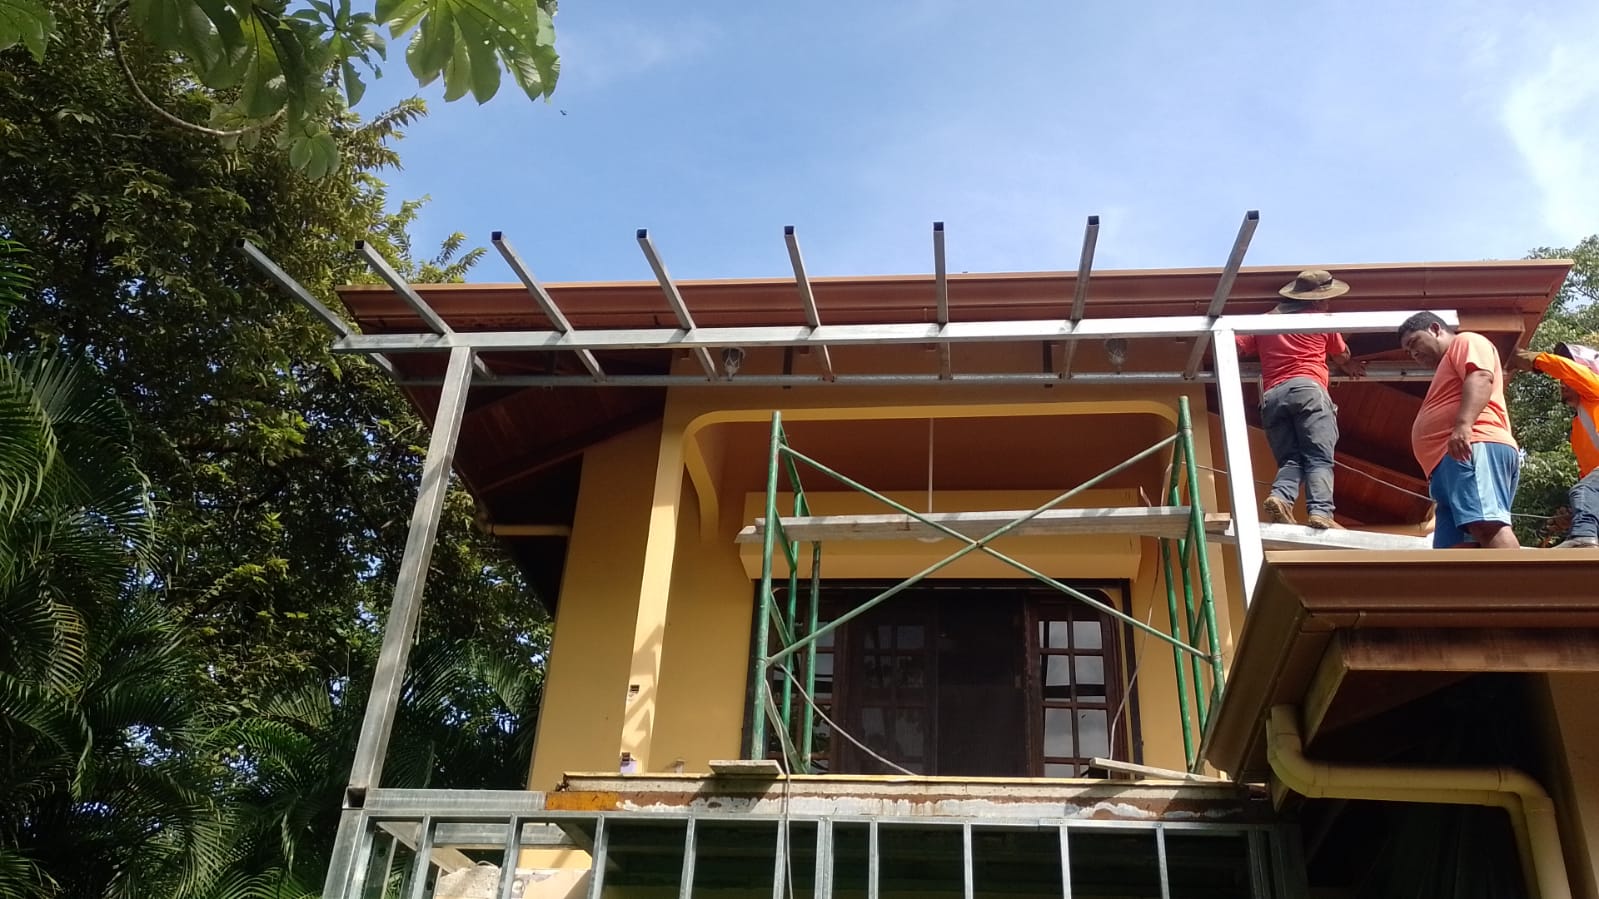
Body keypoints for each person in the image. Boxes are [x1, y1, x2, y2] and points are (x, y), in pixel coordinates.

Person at [1236, 270, 1366, 529]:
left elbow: (1237, 345)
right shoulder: (1320, 320)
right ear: (1317, 301)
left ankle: (1281, 497)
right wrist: (1349, 364)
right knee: (1318, 458)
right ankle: (1321, 512)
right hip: (1308, 389)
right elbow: (1341, 355)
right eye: (1327, 299)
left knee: (1291, 459)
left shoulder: (1265, 321)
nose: (1328, 304)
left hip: (1272, 397)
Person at [1397, 312, 1520, 549]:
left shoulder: (1466, 341)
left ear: (1435, 328)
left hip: (1473, 445)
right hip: (1447, 465)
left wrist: (1463, 426)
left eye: (1414, 343)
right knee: (1455, 552)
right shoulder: (1446, 366)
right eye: (1408, 351)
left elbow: (1481, 376)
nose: (1413, 354)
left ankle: (1523, 587)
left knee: (1487, 526)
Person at [1507, 341, 1599, 549]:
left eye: (1567, 378)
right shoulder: (1580, 426)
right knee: (1584, 492)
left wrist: (1532, 359)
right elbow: (1589, 474)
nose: (1562, 382)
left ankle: (1583, 538)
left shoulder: (1596, 389)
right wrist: (1577, 510)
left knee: (1584, 490)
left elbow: (1564, 368)